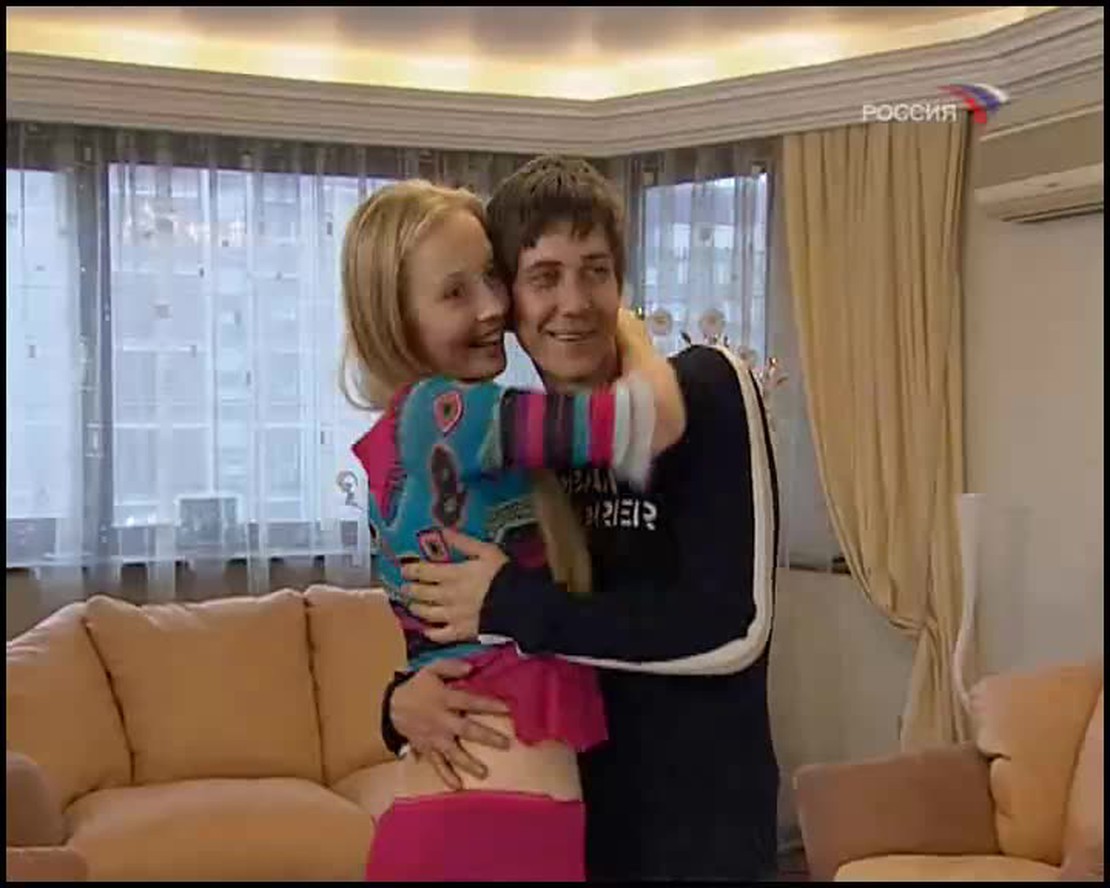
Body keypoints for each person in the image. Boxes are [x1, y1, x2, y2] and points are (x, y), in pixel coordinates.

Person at [383, 156, 781, 882]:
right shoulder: (527, 438)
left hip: (700, 838)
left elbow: (733, 629)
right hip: (575, 828)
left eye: (595, 271)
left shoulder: (708, 386)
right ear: (509, 299)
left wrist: (513, 603)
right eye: (544, 277)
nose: (574, 302)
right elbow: (456, 618)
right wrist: (399, 703)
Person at [339, 179, 687, 881]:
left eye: (491, 278)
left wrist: (399, 700)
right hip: (489, 827)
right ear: (396, 320)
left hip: (478, 816)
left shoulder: (408, 438)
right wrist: (623, 326)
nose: (493, 307)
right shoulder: (452, 415)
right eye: (454, 293)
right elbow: (653, 420)